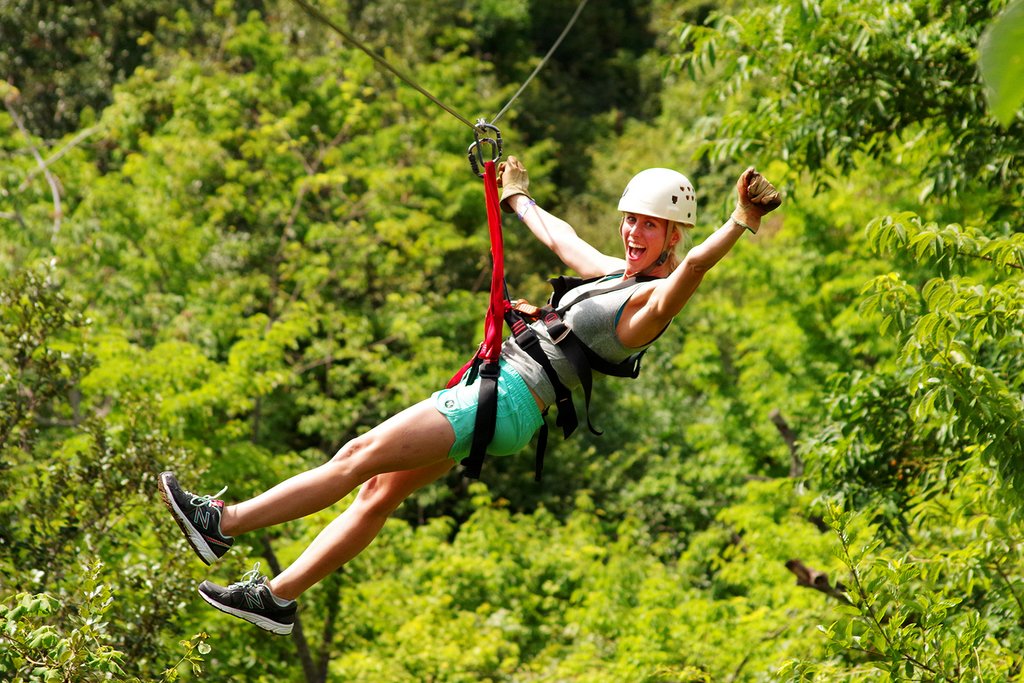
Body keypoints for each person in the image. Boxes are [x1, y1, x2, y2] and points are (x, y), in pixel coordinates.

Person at [158, 157, 781, 635]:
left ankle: (222, 524)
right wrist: (517, 197)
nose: (633, 232)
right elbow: (563, 240)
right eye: (630, 219)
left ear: (675, 236)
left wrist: (738, 224)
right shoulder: (617, 278)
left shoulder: (649, 305)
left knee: (358, 454)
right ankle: (278, 599)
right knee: (379, 489)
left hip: (504, 398)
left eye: (650, 225)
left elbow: (695, 270)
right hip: (498, 397)